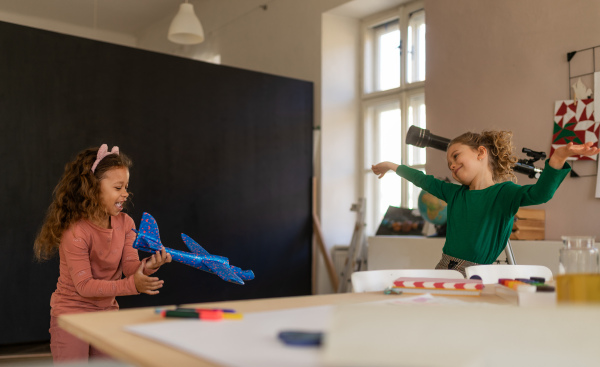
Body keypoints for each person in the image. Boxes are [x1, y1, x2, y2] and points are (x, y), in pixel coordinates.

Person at [372, 131, 600, 276]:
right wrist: (393, 166)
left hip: (478, 274)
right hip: (444, 270)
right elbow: (424, 180)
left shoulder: (504, 193)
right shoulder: (454, 194)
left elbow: (540, 194)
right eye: (448, 162)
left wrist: (558, 159)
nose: (451, 165)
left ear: (481, 152)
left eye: (456, 156)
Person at [34, 144, 172, 363]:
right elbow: (85, 286)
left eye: (126, 186)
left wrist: (148, 266)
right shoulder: (76, 231)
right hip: (71, 318)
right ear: (92, 189)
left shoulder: (125, 223)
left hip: (106, 315)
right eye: (118, 188)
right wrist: (133, 286)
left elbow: (129, 266)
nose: (126, 194)